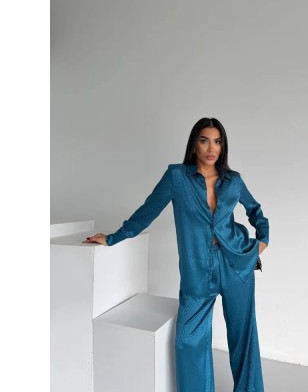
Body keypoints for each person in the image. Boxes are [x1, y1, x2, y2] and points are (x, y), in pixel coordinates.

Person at [84, 117, 269, 391]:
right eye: (204, 140)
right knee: (188, 340)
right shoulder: (177, 177)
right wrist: (113, 238)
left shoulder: (233, 181)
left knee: (244, 337)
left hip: (235, 265)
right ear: (194, 144)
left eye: (217, 141)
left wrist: (261, 243)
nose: (211, 148)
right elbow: (146, 212)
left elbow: (256, 212)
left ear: (223, 146)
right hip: (198, 269)